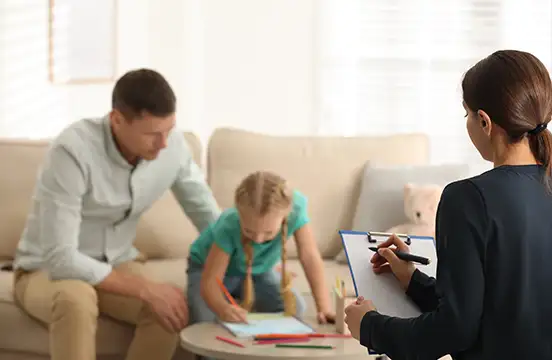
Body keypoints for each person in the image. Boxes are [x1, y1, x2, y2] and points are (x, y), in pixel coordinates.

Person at [344, 49, 552, 359]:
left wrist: (370, 327)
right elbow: (493, 315)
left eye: (465, 114)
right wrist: (412, 280)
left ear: (484, 121)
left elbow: (454, 330)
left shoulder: (467, 199)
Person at [12, 69, 221, 360]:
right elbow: (61, 258)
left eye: (168, 131)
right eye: (152, 134)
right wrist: (145, 289)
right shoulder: (72, 151)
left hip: (117, 262)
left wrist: (251, 255)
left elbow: (205, 211)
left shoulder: (170, 146)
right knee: (76, 299)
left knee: (171, 307)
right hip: (45, 270)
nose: (163, 144)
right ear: (117, 120)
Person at [186, 171, 335, 330]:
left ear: (285, 217)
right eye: (249, 231)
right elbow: (210, 282)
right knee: (206, 323)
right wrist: (222, 308)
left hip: (258, 269)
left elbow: (309, 256)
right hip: (207, 270)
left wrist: (324, 308)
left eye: (269, 233)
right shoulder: (229, 224)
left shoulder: (295, 209)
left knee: (295, 309)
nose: (257, 239)